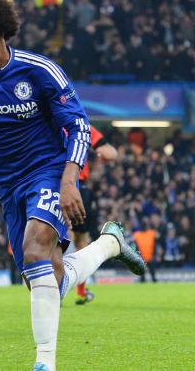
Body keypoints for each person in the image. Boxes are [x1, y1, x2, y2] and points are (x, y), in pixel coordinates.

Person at [0, 0, 146, 370]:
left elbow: (79, 125)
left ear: (0, 35)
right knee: (45, 281)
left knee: (35, 250)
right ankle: (109, 244)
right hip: (7, 184)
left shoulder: (39, 70)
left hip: (49, 171)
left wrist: (70, 180)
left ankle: (44, 363)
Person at [70, 126, 118, 304]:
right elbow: (109, 153)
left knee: (52, 240)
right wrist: (102, 155)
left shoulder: (42, 121)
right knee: (80, 241)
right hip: (77, 187)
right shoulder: (80, 124)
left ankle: (52, 290)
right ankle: (80, 292)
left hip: (48, 183)